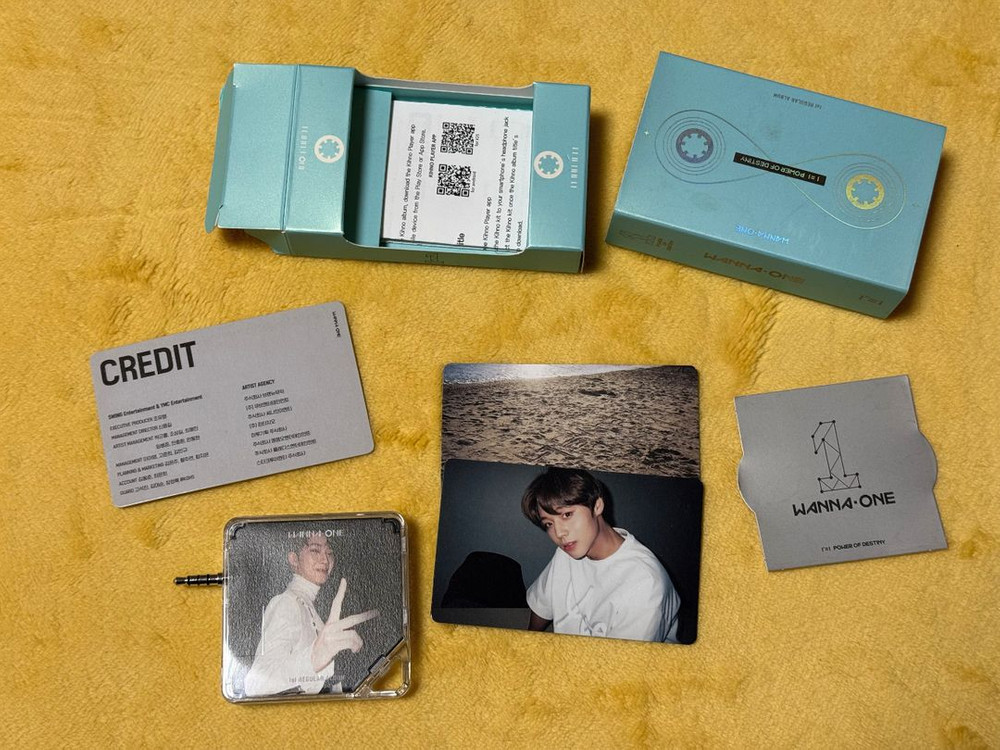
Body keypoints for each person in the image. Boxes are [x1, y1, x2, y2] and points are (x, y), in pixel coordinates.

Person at [521, 467, 681, 642]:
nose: (559, 533)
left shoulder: (646, 583)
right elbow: (542, 605)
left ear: (597, 506)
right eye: (549, 524)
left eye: (567, 514)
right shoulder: (566, 552)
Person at [244, 532, 377, 697]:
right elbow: (256, 684)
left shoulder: (310, 606)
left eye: (329, 553)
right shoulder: (287, 603)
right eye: (315, 550)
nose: (325, 560)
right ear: (294, 559)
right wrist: (314, 657)